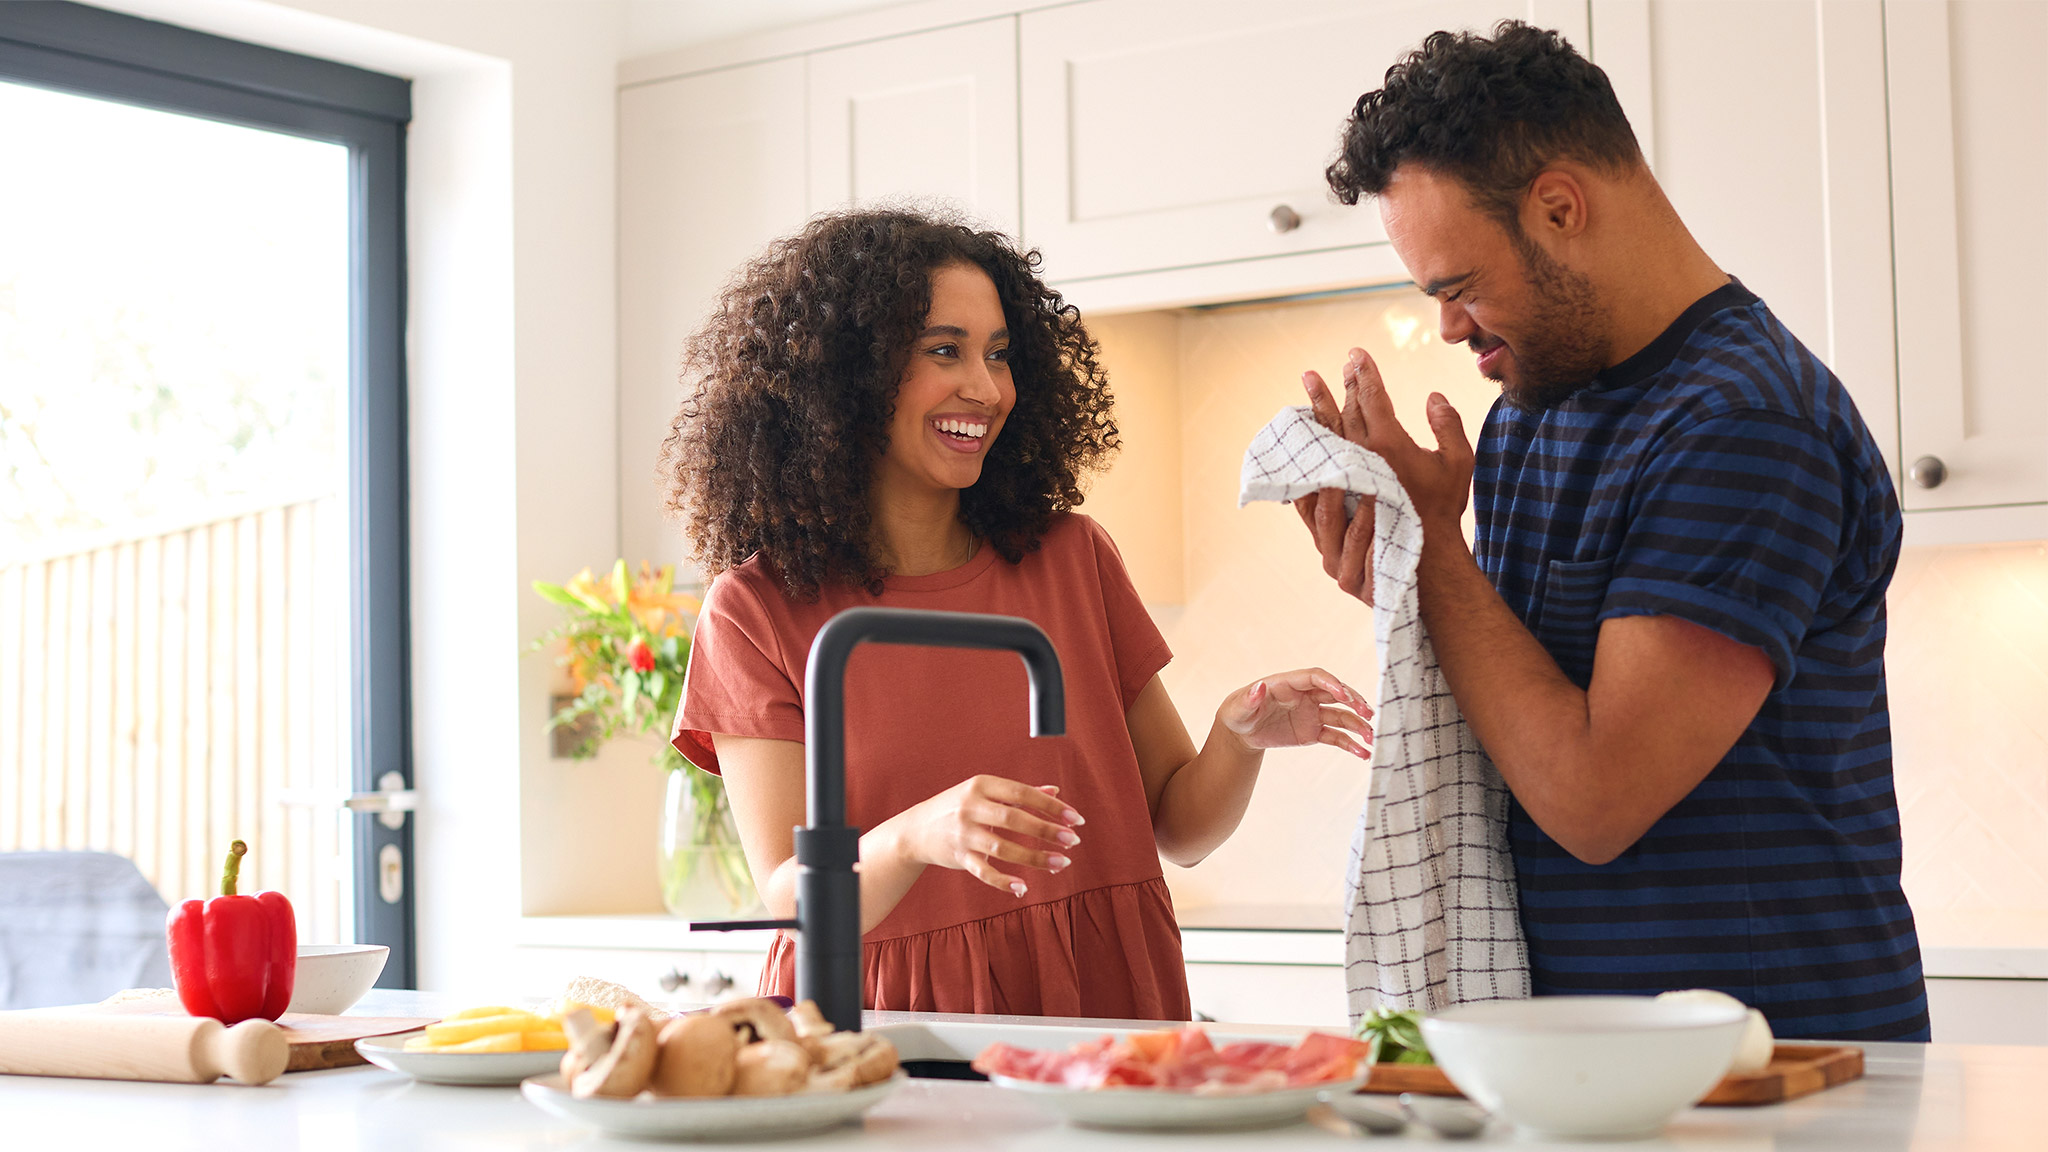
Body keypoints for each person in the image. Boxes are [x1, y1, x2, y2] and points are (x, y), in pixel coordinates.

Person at [1294, 22, 1929, 1040]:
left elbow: (1592, 799)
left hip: (1766, 1066)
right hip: (1588, 1062)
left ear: (1557, 206)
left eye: (1457, 287)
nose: (1449, 328)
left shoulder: (1741, 423)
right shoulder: (1531, 412)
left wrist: (1437, 555)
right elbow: (1527, 714)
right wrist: (1405, 573)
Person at [660, 208, 1372, 1019]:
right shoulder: (756, 611)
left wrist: (1237, 739)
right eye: (944, 350)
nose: (987, 388)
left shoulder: (1073, 560)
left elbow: (1181, 827)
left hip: (1103, 994)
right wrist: (915, 837)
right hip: (893, 1018)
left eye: (999, 354)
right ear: (846, 375)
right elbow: (791, 894)